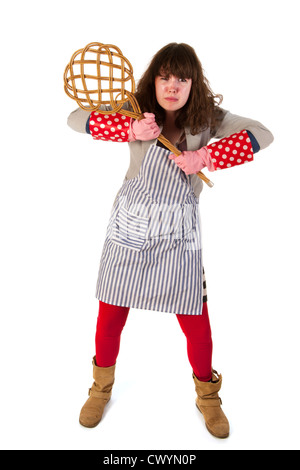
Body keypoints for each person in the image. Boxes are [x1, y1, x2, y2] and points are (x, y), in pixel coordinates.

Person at [67, 43, 274, 438]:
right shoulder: (134, 108)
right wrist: (128, 129)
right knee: (110, 314)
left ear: (193, 83)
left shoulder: (208, 119)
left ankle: (208, 398)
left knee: (196, 321)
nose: (173, 86)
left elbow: (264, 134)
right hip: (129, 228)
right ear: (154, 79)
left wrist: (207, 157)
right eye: (165, 77)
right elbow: (75, 118)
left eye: (182, 78)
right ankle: (100, 389)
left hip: (178, 232)